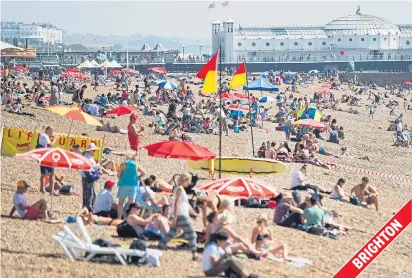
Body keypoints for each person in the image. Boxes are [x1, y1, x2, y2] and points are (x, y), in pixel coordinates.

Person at [158, 173, 198, 260]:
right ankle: (194, 253)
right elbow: (176, 203)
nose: (189, 183)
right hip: (181, 215)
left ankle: (160, 245)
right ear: (185, 180)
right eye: (189, 181)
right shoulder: (180, 189)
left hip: (181, 214)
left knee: (173, 232)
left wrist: (193, 213)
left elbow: (183, 203)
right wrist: (174, 217)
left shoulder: (179, 188)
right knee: (191, 234)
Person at [117, 151, 146, 219]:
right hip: (133, 185)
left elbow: (118, 175)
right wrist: (138, 177)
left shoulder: (123, 163)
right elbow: (144, 173)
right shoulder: (136, 164)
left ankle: (118, 217)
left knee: (121, 203)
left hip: (124, 184)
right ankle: (129, 218)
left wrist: (121, 176)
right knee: (131, 203)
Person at [80, 143, 100, 213]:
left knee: (91, 193)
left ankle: (89, 208)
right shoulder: (87, 157)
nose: (94, 152)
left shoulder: (89, 157)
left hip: (88, 177)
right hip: (87, 177)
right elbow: (88, 168)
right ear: (90, 150)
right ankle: (88, 208)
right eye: (93, 150)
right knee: (89, 194)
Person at [37, 126, 57, 193]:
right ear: (48, 129)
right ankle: (52, 190)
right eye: (52, 131)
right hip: (46, 157)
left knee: (43, 174)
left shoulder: (43, 136)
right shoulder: (44, 136)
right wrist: (55, 139)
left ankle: (42, 188)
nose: (52, 133)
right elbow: (50, 145)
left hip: (42, 156)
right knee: (52, 173)